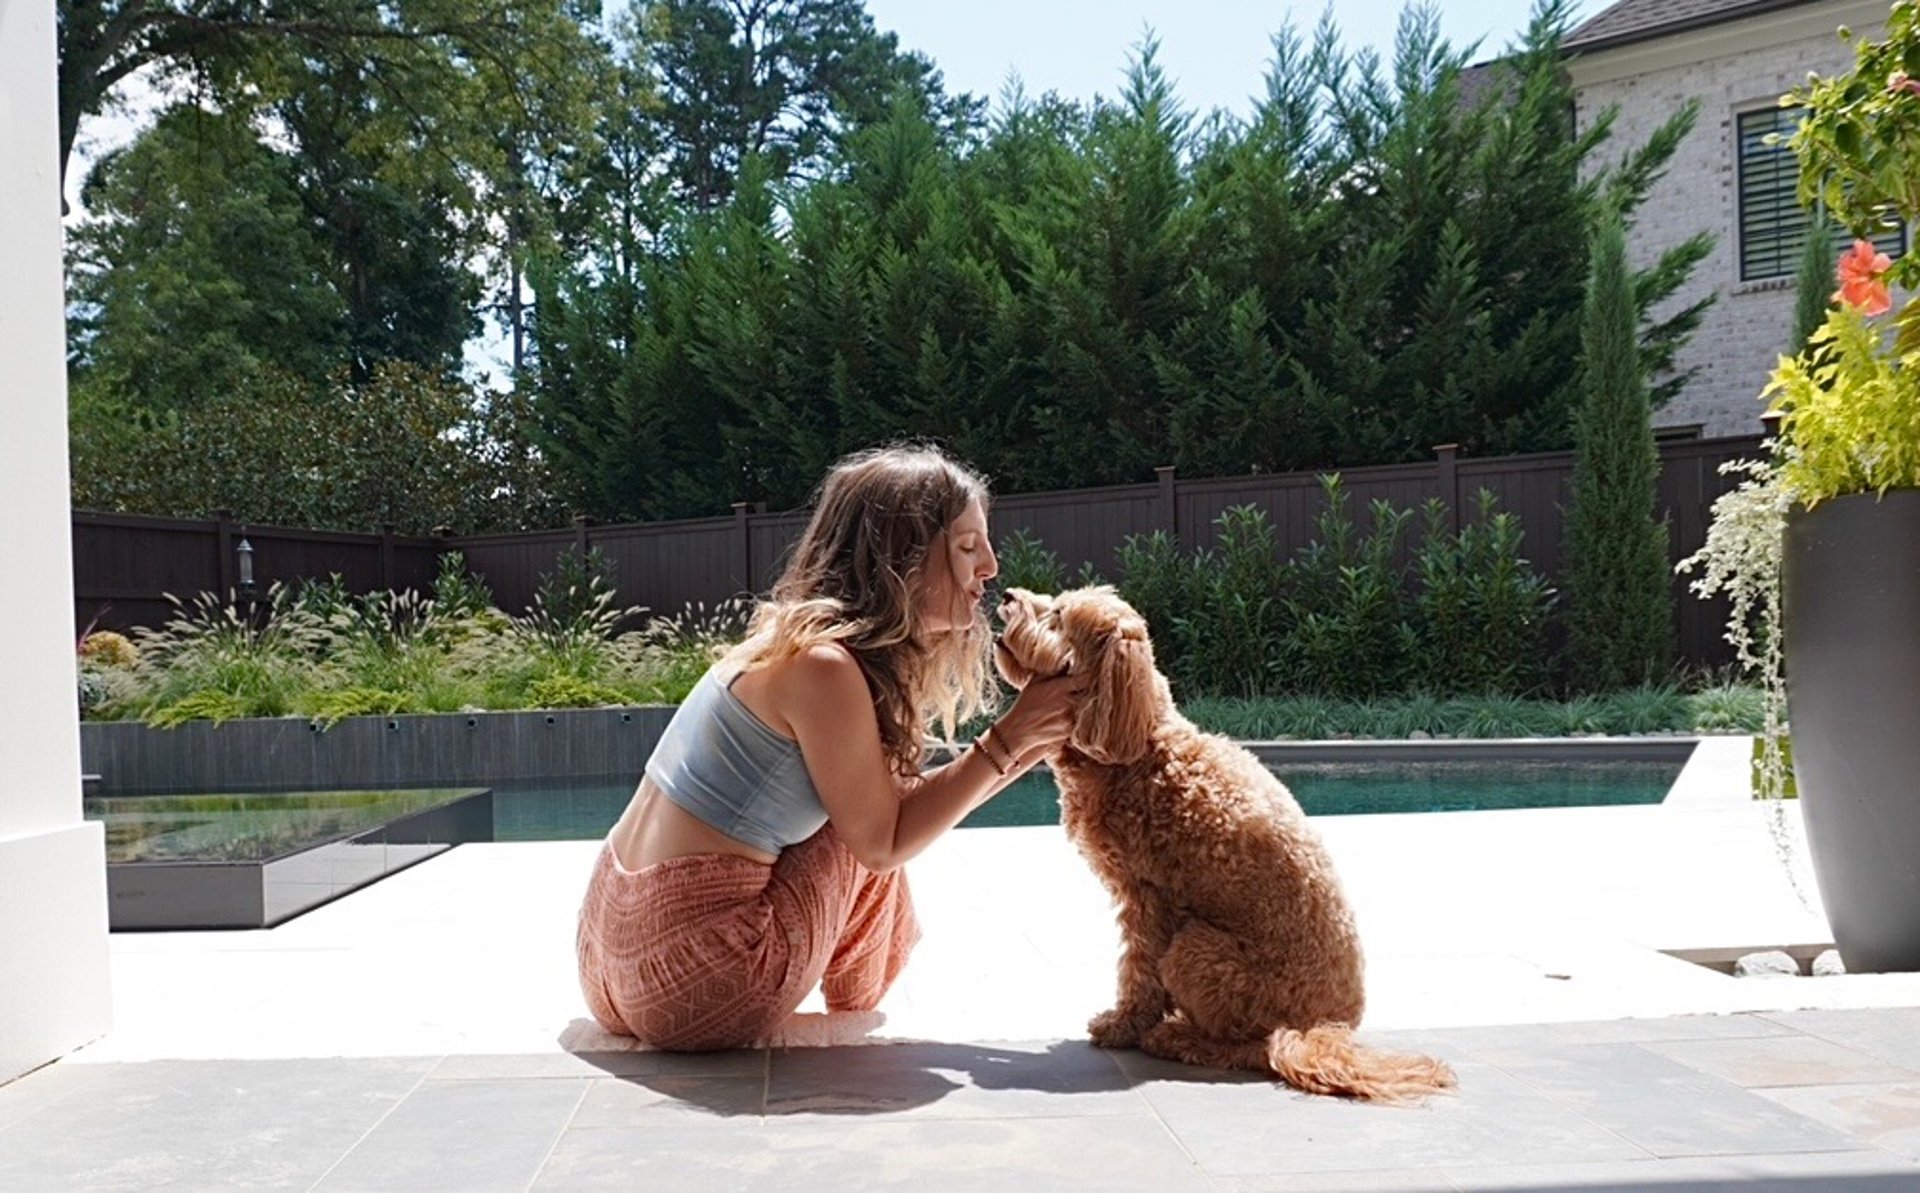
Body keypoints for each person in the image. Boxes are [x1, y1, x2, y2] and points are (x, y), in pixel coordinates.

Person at [576, 443, 1082, 1050]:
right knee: (872, 825)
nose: (992, 567)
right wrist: (1011, 737)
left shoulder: (783, 642)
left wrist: (1027, 735)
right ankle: (854, 1011)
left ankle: (852, 1003)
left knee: (881, 801)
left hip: (609, 953)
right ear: (904, 556)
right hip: (699, 975)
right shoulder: (825, 667)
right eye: (968, 547)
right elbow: (883, 841)